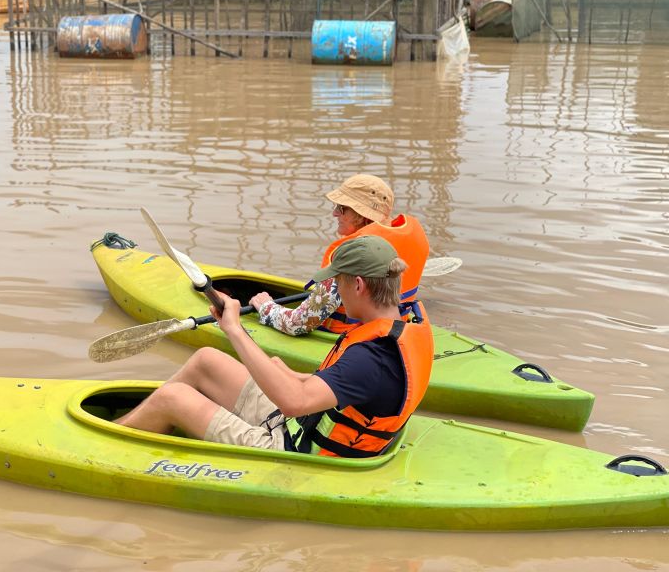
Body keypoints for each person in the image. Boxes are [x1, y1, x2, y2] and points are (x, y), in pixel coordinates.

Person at [115, 236, 434, 457]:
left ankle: (110, 439)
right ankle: (141, 420)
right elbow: (350, 389)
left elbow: (295, 403)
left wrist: (235, 331)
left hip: (297, 452)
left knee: (174, 397)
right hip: (300, 424)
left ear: (359, 285)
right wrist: (293, 375)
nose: (334, 290)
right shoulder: (407, 320)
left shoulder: (373, 358)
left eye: (337, 283)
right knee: (207, 360)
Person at [249, 174, 430, 336]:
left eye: (342, 208)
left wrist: (266, 307)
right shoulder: (412, 238)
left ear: (362, 216)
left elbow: (298, 323)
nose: (335, 213)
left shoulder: (353, 254)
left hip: (353, 338)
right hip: (396, 328)